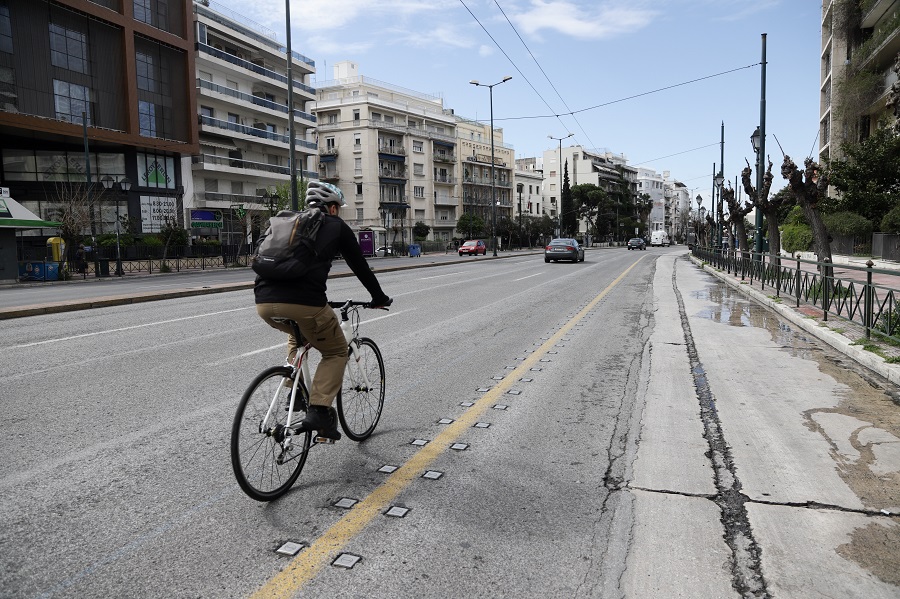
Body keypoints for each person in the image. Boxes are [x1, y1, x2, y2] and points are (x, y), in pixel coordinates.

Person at [254, 181, 391, 441]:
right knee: (336, 350)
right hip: (306, 303)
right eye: (338, 207)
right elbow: (360, 266)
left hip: (263, 303)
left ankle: (295, 392)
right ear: (333, 208)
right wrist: (379, 297)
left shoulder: (286, 223)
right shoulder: (336, 226)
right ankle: (318, 409)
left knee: (298, 335)